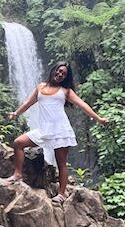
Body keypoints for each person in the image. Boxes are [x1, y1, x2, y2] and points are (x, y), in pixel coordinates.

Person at [7, 61, 109, 205]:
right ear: (54, 70)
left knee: (61, 163)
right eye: (59, 71)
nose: (60, 74)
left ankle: (61, 194)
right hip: (43, 130)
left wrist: (99, 119)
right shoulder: (40, 87)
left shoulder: (65, 91)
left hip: (60, 130)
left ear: (65, 77)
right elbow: (27, 103)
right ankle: (17, 174)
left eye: (64, 74)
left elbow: (82, 105)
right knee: (18, 143)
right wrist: (16, 113)